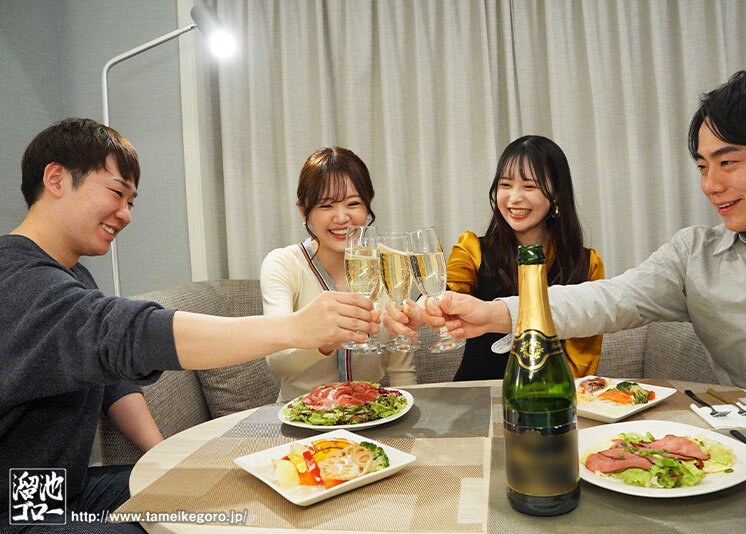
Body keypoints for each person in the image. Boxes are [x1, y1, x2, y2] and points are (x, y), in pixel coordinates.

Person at [0, 119, 380, 532]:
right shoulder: (15, 278)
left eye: (131, 201)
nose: (125, 214)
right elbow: (134, 334)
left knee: (234, 495)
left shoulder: (72, 275)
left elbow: (111, 378)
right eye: (116, 193)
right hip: (14, 507)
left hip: (53, 490)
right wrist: (296, 329)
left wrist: (162, 456)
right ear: (56, 179)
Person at [388, 70, 746, 400]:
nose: (709, 185)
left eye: (727, 163)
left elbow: (584, 353)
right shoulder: (694, 254)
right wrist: (489, 313)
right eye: (702, 167)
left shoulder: (585, 260)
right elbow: (605, 300)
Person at [260, 146, 416, 403]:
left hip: (370, 415)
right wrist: (324, 342)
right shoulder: (284, 264)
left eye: (353, 203)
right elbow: (277, 363)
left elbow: (403, 371)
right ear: (303, 211)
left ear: (367, 206)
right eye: (326, 205)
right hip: (300, 415)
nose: (342, 218)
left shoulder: (392, 263)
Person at [446, 135, 604, 380]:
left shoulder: (585, 264)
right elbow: (446, 294)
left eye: (529, 186)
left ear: (557, 193)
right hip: (476, 395)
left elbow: (582, 362)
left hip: (548, 396)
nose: (514, 198)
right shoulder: (472, 249)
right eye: (505, 185)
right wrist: (426, 306)